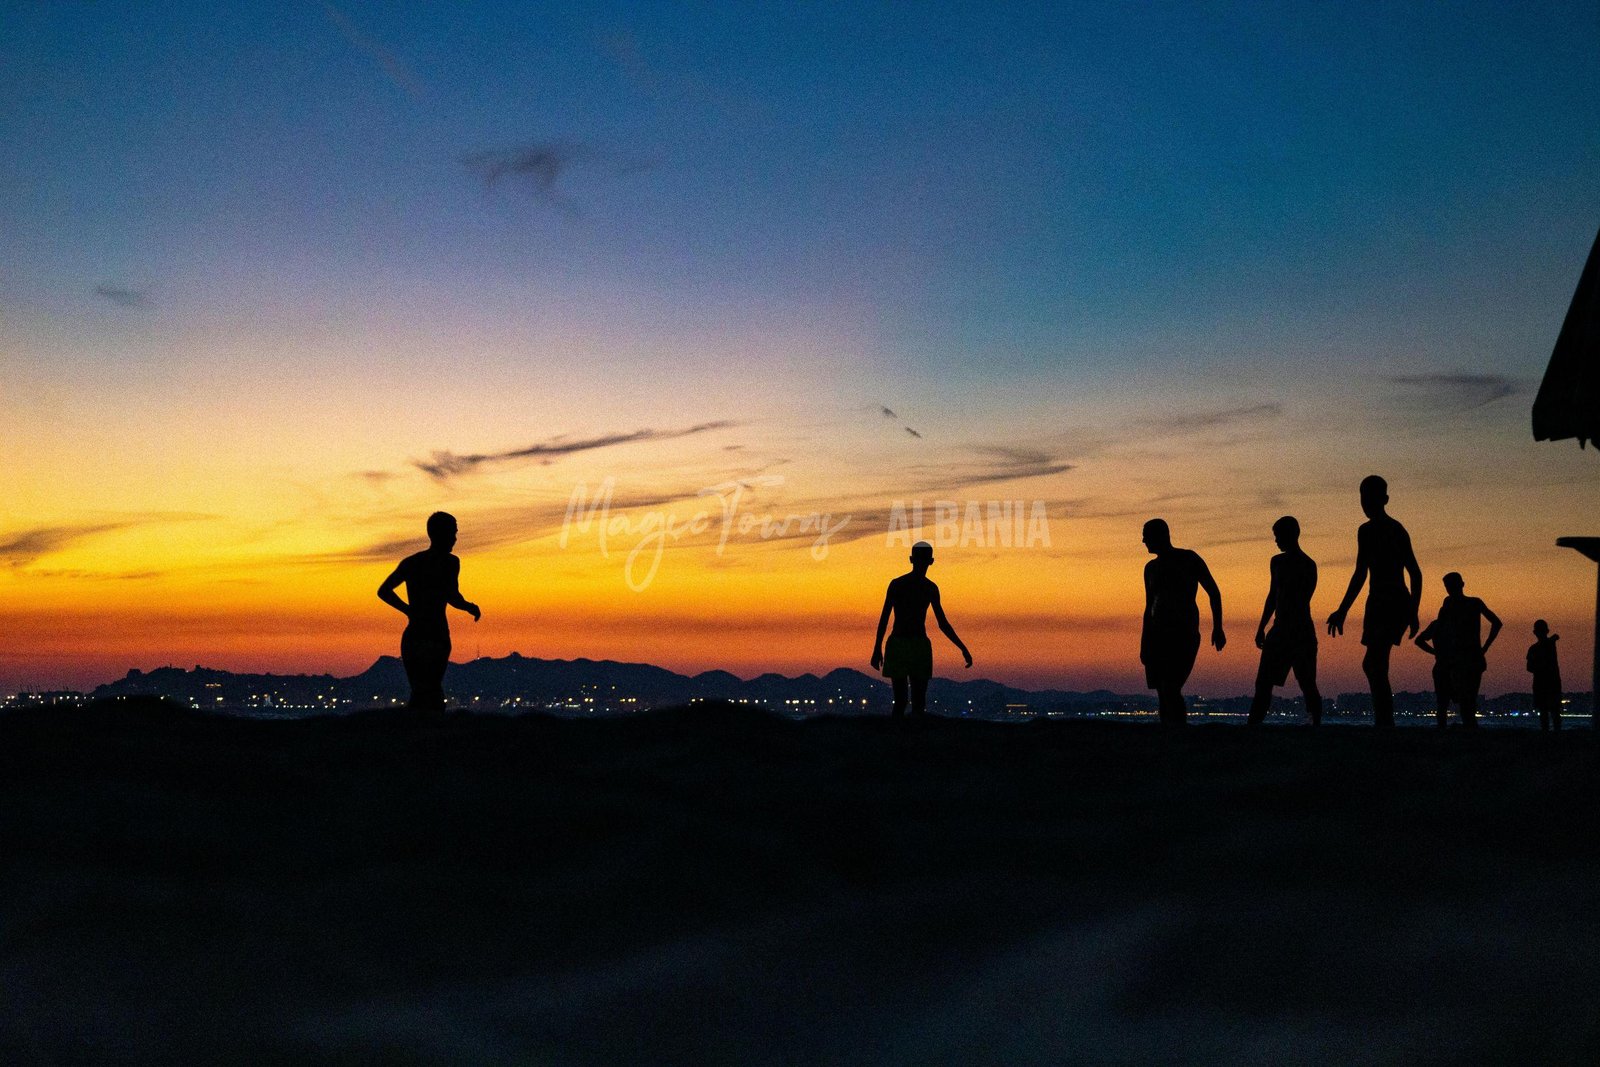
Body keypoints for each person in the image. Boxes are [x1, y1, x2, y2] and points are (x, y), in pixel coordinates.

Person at [1326, 475, 1422, 728]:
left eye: (1370, 497)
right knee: (1375, 664)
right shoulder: (1365, 531)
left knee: (1374, 664)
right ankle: (1384, 721)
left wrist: (1413, 610)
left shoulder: (1395, 529)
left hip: (1392, 602)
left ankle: (1384, 722)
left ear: (1385, 500)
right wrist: (1342, 610)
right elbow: (1360, 573)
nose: (1365, 502)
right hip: (1377, 602)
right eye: (1362, 497)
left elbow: (1415, 572)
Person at [378, 512, 481, 711]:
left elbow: (384, 591)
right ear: (439, 534)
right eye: (452, 533)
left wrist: (410, 611)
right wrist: (468, 606)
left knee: (422, 690)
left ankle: (421, 733)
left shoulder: (413, 562)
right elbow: (453, 597)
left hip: (419, 634)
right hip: (434, 634)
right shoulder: (450, 563)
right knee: (430, 690)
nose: (455, 538)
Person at [871, 540, 972, 717]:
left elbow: (942, 623)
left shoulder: (923, 587)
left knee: (913, 702)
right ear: (930, 561)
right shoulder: (916, 586)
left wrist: (962, 647)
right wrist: (876, 648)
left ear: (913, 559)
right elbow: (885, 617)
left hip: (912, 645)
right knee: (906, 701)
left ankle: (907, 739)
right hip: (903, 645)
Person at [1140, 519, 1225, 726]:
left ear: (1161, 535)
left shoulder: (1189, 558)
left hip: (1183, 633)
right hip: (1157, 635)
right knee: (1162, 690)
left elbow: (1213, 592)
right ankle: (1168, 730)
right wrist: (1145, 641)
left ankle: (1178, 728)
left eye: (1147, 535)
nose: (1143, 541)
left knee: (1171, 686)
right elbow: (1148, 606)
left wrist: (1218, 627)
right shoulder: (1150, 568)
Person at [1248, 516, 1322, 726]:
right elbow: (1273, 596)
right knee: (1264, 682)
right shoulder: (1279, 562)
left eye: (1278, 536)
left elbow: (1294, 598)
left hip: (1297, 630)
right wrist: (1262, 626)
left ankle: (1315, 722)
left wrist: (1266, 627)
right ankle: (1254, 723)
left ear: (1290, 535)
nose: (1276, 541)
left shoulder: (1306, 565)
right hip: (1282, 629)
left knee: (1306, 682)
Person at [1414, 572, 1500, 728]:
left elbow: (1497, 623)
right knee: (1467, 702)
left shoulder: (1458, 605)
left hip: (1463, 659)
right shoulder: (1468, 604)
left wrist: (1484, 647)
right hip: (1467, 658)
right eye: (1448, 587)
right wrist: (1484, 648)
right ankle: (1467, 733)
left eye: (1449, 586)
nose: (1449, 590)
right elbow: (1496, 623)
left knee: (1459, 703)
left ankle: (1460, 732)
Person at [1526, 620, 1563, 731]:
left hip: (1544, 683)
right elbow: (1529, 667)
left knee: (1547, 712)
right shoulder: (1547, 645)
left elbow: (1529, 667)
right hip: (1549, 683)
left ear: (1534, 632)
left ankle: (1547, 735)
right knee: (1552, 712)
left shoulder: (1535, 648)